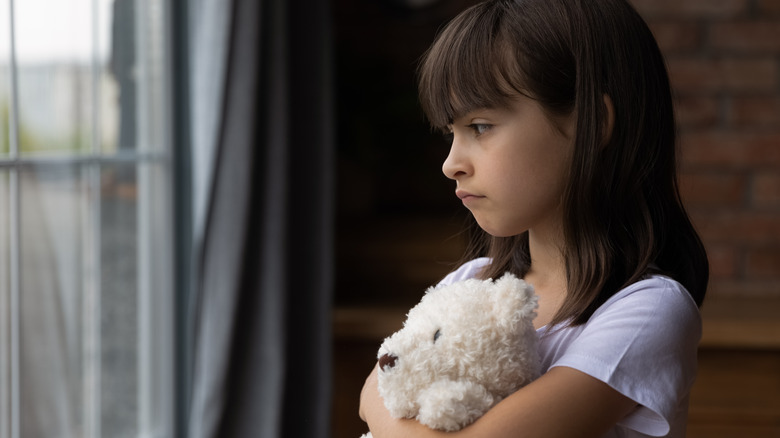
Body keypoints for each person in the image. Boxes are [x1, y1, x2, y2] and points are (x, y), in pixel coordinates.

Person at [359, 0, 709, 436]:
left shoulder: (647, 310)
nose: (451, 164)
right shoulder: (471, 283)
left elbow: (383, 394)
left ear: (593, 124)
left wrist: (381, 410)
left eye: (481, 126)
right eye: (452, 133)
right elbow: (379, 381)